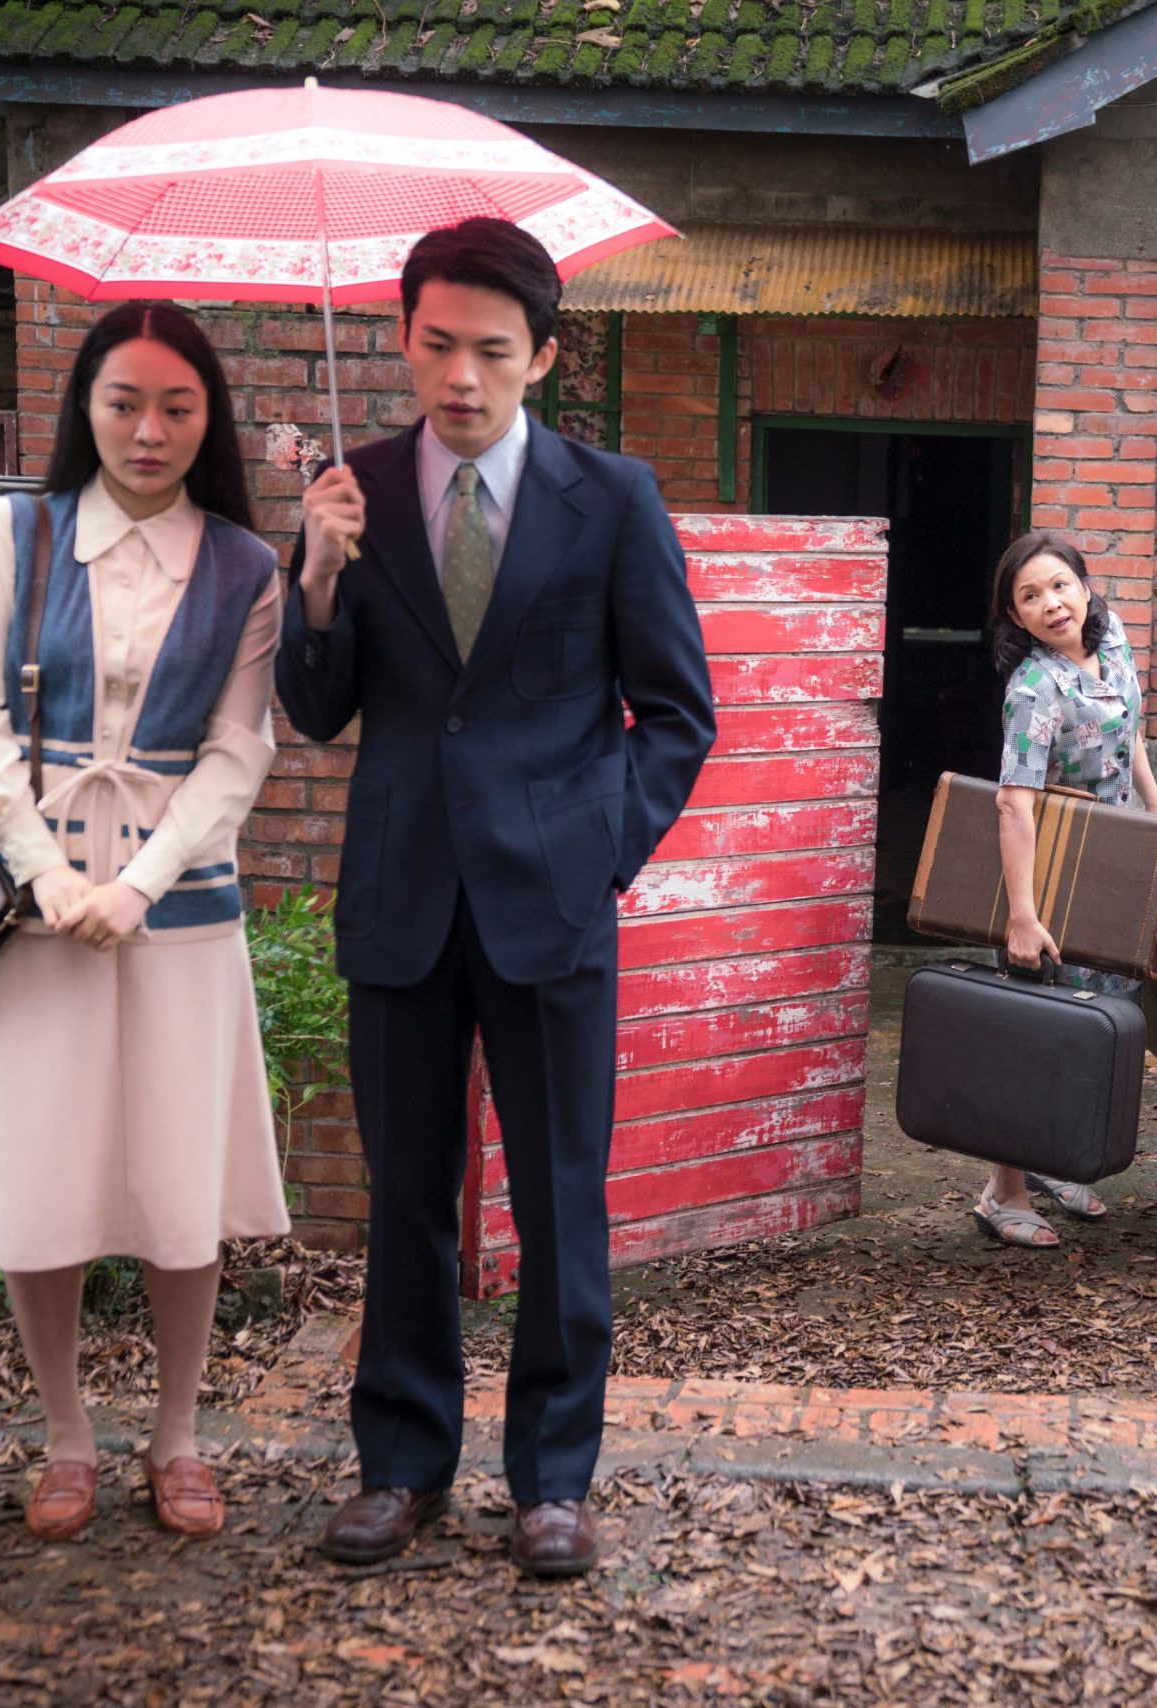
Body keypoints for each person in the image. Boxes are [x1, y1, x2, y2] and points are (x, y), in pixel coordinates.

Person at [277, 218, 716, 1579]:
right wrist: (317, 578)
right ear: (403, 339)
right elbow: (317, 707)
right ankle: (401, 1463)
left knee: (562, 1195)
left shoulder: (613, 498)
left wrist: (599, 853)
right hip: (401, 893)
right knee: (406, 1195)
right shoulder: (352, 492)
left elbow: (678, 712)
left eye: (490, 350)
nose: (460, 376)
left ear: (544, 355)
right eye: (436, 345)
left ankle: (554, 1480)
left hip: (552, 907)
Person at [0, 301, 288, 1542]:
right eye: (124, 402)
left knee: (181, 1182)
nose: (148, 430)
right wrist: (45, 874)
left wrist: (140, 882)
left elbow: (238, 753)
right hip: (34, 917)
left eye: (177, 407)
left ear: (207, 420)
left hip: (181, 915)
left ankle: (178, 1436)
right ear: (85, 406)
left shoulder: (246, 567)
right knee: (45, 1177)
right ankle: (67, 1433)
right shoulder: (12, 534)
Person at [975, 531, 1157, 1250]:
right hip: (1047, 870)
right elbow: (1013, 803)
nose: (1051, 603)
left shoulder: (1112, 640)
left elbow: (1132, 735)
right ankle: (1002, 1191)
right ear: (1015, 615)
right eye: (1030, 596)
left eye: (1060, 585)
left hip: (1108, 864)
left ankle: (1057, 1160)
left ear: (1085, 587)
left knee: (1095, 1020)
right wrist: (1022, 918)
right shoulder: (1034, 689)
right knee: (1032, 1030)